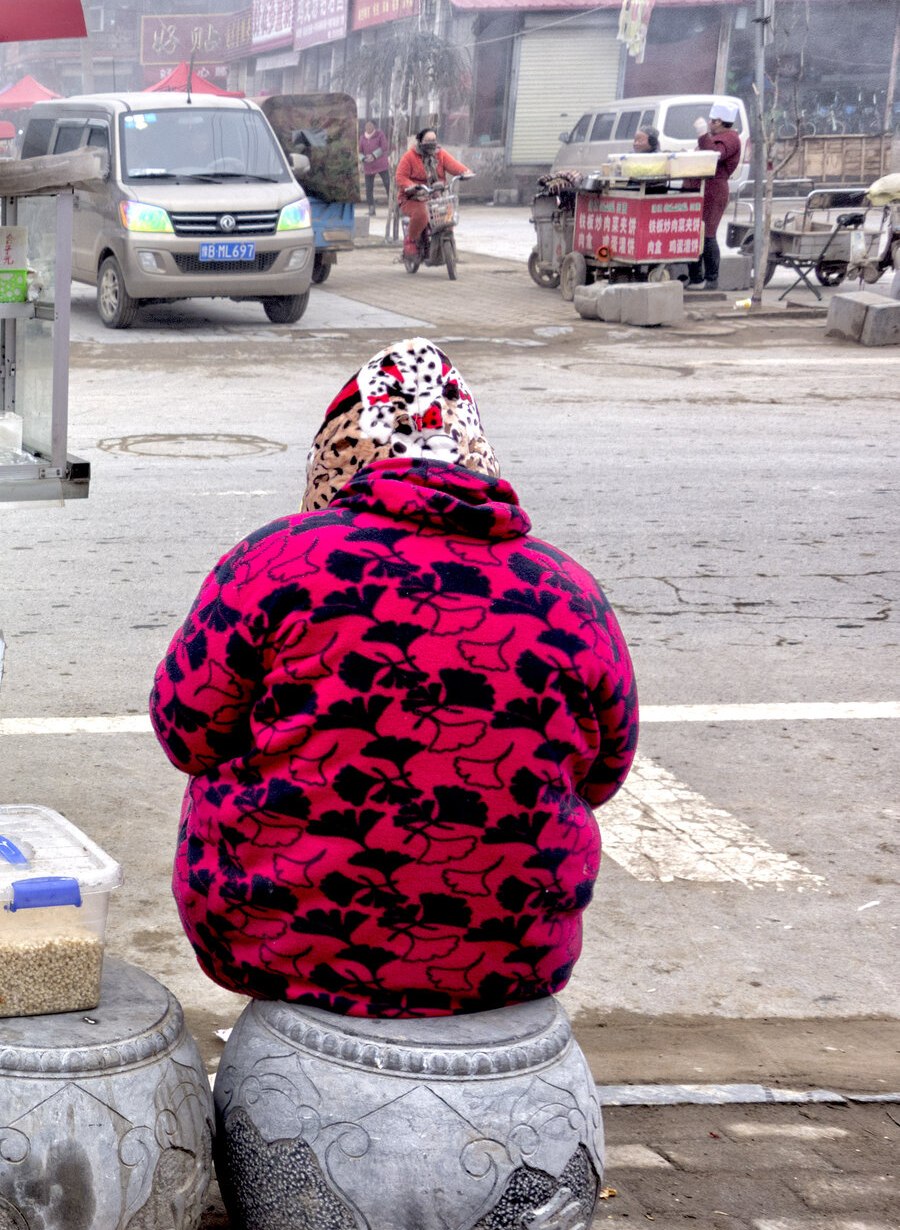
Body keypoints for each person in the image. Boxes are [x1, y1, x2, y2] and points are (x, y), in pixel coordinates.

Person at [149, 338, 638, 1017]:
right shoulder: (568, 593)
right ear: (478, 456)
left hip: (277, 944)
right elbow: (605, 773)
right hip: (515, 955)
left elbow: (184, 733)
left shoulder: (274, 561)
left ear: (335, 457)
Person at [395, 128, 470, 261]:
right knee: (422, 214)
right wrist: (411, 186)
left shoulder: (440, 154)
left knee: (447, 215)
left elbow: (454, 166)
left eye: (433, 140)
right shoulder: (410, 156)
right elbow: (400, 177)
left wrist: (464, 172)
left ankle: (446, 245)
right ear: (420, 141)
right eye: (427, 141)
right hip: (412, 198)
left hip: (435, 196)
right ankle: (411, 240)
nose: (431, 143)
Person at [693, 105, 743, 289]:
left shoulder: (730, 138)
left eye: (711, 121)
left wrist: (702, 135)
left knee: (707, 233)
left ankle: (711, 279)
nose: (709, 123)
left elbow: (714, 155)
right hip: (702, 189)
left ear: (720, 122)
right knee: (696, 233)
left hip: (714, 191)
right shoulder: (717, 138)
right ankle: (696, 277)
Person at [358, 119, 392, 206]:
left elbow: (384, 146)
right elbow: (360, 151)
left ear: (374, 126)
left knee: (388, 184)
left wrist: (373, 155)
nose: (368, 127)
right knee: (368, 188)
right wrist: (363, 159)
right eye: (366, 125)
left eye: (370, 125)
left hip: (381, 164)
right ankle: (371, 209)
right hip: (368, 167)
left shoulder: (380, 134)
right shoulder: (362, 138)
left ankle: (392, 205)